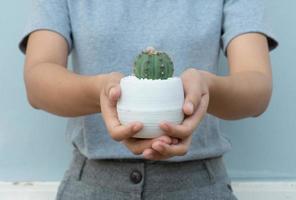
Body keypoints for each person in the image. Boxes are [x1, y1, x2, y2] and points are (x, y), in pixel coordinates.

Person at [19, 0, 278, 199]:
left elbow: (257, 87)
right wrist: (100, 92)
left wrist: (206, 88)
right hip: (92, 186)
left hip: (199, 185)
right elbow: (38, 79)